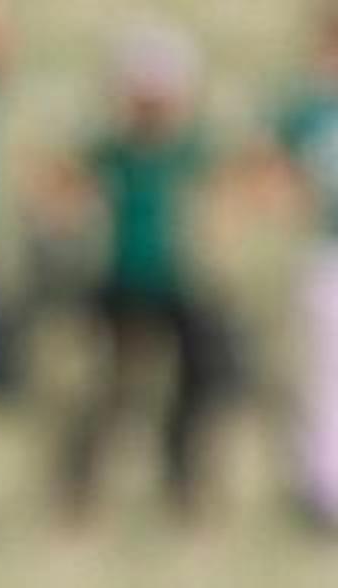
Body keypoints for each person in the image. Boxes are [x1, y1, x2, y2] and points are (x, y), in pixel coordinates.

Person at [47, 23, 232, 523]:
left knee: (197, 384)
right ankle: (80, 487)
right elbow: (58, 190)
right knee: (102, 387)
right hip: (118, 281)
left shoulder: (190, 149)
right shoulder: (109, 149)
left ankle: (185, 482)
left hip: (175, 281)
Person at [261, 6, 338, 529]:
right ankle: (323, 490)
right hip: (328, 249)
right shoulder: (310, 103)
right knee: (323, 376)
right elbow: (272, 168)